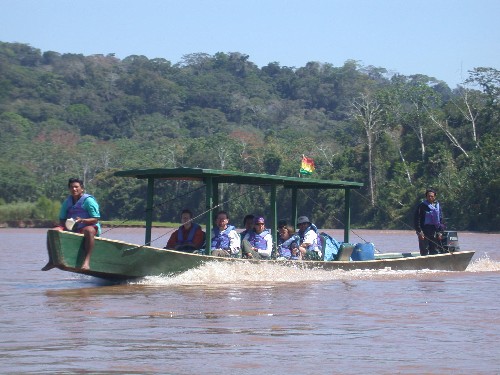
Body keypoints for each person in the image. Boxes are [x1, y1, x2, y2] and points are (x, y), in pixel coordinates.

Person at [42, 177, 101, 271]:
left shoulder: (88, 201)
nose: (74, 189)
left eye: (76, 187)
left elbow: (96, 219)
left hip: (89, 227)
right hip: (73, 228)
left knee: (88, 230)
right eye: (71, 187)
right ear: (69, 189)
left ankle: (86, 262)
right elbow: (62, 219)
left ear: (82, 188)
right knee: (52, 231)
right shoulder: (67, 202)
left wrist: (83, 220)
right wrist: (58, 224)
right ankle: (51, 261)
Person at [414, 188, 445, 256]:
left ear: (434, 197)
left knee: (434, 250)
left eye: (432, 196)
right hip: (424, 230)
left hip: (434, 230)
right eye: (428, 196)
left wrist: (440, 232)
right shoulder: (422, 206)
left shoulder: (437, 206)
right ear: (426, 197)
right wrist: (419, 231)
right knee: (424, 250)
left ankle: (435, 265)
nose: (430, 197)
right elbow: (417, 219)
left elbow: (441, 219)